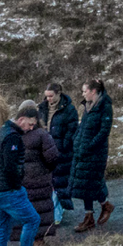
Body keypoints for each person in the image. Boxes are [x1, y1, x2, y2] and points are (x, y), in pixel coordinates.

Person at [0, 101, 44, 246]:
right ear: (22, 119)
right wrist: (17, 186)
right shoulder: (13, 137)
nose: (32, 128)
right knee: (32, 220)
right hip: (7, 191)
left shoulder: (0, 132)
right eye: (31, 124)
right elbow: (10, 167)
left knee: (2, 229)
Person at [69, 80, 114, 232]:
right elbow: (82, 127)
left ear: (93, 91)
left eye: (84, 91)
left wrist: (90, 146)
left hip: (95, 152)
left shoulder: (105, 107)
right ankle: (92, 214)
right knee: (83, 183)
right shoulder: (87, 107)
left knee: (91, 181)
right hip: (82, 150)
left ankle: (103, 206)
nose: (83, 94)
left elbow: (104, 131)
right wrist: (76, 141)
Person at [21, 99, 62, 240]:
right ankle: (39, 240)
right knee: (42, 208)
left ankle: (29, 239)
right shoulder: (41, 134)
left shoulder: (14, 134)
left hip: (22, 181)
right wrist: (46, 170)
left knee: (27, 209)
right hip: (40, 179)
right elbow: (53, 156)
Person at [43, 83, 79, 224]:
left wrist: (63, 147)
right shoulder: (42, 108)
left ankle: (57, 214)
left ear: (59, 94)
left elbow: (72, 130)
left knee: (59, 183)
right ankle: (55, 213)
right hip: (46, 152)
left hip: (61, 153)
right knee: (50, 183)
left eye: (51, 96)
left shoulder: (69, 110)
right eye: (46, 96)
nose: (48, 99)